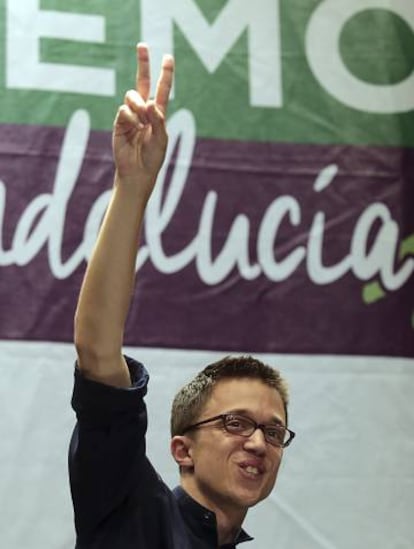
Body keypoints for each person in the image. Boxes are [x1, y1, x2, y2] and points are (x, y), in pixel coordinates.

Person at [69, 43, 295, 549]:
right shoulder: (131, 509)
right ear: (182, 449)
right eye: (236, 423)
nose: (258, 443)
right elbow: (97, 351)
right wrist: (132, 187)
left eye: (274, 431)